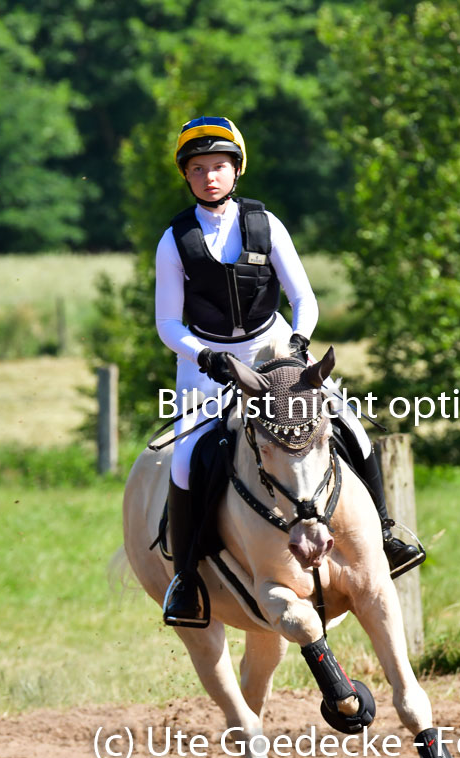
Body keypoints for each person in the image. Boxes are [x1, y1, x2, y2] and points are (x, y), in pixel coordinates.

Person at [155, 116, 421, 627]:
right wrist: (207, 356)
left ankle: (385, 532)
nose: (210, 176)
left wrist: (298, 344)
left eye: (219, 166)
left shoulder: (266, 224)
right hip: (207, 363)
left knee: (350, 426)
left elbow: (304, 299)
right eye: (198, 169)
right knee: (187, 457)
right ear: (186, 176)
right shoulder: (175, 241)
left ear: (237, 170)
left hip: (276, 350)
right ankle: (187, 578)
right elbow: (168, 323)